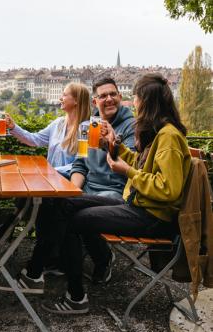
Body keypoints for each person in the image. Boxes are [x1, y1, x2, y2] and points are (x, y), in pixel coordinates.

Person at [41, 73, 192, 315]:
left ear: (148, 102)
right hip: (140, 206)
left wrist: (128, 171)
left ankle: (76, 297)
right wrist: (114, 147)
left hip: (153, 216)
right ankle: (54, 269)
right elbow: (142, 164)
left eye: (136, 98)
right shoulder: (160, 132)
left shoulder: (169, 137)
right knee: (65, 203)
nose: (134, 103)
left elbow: (168, 189)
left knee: (74, 220)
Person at [0, 76, 136, 294]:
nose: (108, 99)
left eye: (113, 94)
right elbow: (80, 163)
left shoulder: (130, 126)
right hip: (88, 187)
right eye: (102, 96)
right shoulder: (90, 125)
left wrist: (112, 142)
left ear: (120, 96)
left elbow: (127, 165)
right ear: (94, 102)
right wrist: (74, 191)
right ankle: (48, 267)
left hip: (115, 191)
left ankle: (94, 263)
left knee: (67, 210)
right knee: (52, 204)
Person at [5, 82, 91, 178]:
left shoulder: (86, 130)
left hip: (70, 184)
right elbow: (35, 139)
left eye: (64, 95)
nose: (60, 98)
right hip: (51, 180)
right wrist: (13, 127)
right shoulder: (58, 123)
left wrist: (49, 171)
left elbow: (80, 165)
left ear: (76, 100)